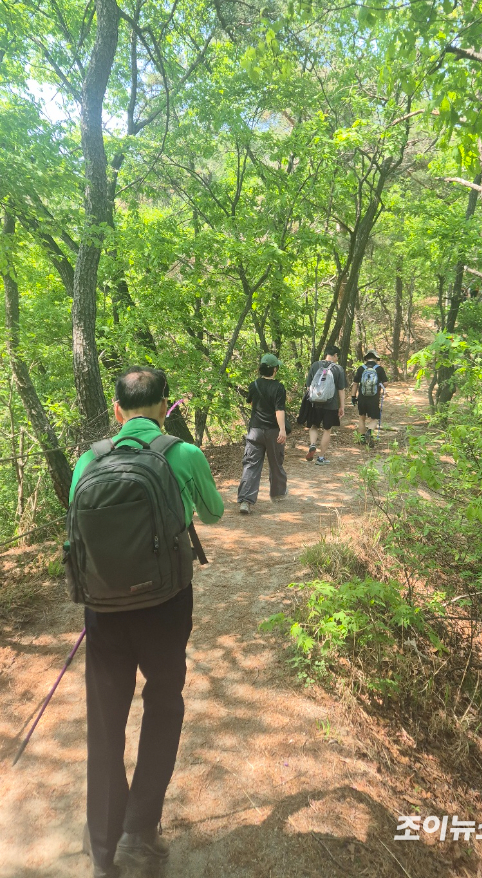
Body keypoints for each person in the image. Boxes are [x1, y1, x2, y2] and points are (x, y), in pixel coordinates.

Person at [69, 366, 224, 878]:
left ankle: (102, 845)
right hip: (165, 604)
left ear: (116, 411)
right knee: (163, 702)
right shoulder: (182, 453)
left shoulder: (85, 462)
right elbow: (217, 512)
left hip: (104, 611)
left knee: (105, 721)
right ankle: (141, 827)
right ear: (163, 407)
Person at [238, 353, 287, 515]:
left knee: (251, 464)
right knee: (276, 462)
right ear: (274, 369)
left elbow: (252, 402)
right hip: (273, 431)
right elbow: (279, 410)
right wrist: (282, 429)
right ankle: (278, 493)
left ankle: (246, 501)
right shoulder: (279, 387)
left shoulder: (254, 385)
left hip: (255, 431)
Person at [304, 344, 346, 465]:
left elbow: (308, 387)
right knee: (327, 430)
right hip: (330, 404)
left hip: (315, 402)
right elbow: (341, 390)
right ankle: (321, 458)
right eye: (337, 356)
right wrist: (341, 406)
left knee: (313, 426)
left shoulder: (315, 365)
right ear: (335, 355)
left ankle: (312, 444)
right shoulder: (338, 369)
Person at [351, 350, 388, 447]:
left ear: (366, 358)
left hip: (362, 397)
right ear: (376, 359)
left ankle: (363, 438)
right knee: (374, 418)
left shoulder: (361, 369)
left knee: (361, 417)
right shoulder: (379, 369)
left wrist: (353, 397)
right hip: (374, 398)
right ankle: (369, 432)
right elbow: (385, 383)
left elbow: (355, 384)